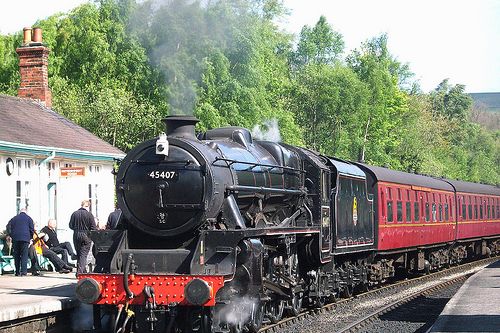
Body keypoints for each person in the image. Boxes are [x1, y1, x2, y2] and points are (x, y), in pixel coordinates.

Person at [69, 200, 97, 273]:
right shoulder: (89, 215)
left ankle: (82, 270)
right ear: (88, 206)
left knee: (79, 253)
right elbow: (93, 227)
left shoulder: (74, 214)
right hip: (86, 235)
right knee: (83, 254)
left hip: (76, 234)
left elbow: (70, 225)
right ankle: (80, 272)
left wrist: (76, 229)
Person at [6, 208, 34, 276]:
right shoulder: (29, 218)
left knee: (17, 255)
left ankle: (17, 272)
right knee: (24, 255)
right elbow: (32, 229)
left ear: (19, 212)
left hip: (16, 238)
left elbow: (8, 227)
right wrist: (30, 237)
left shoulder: (14, 218)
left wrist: (11, 235)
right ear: (26, 212)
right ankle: (24, 272)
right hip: (25, 239)